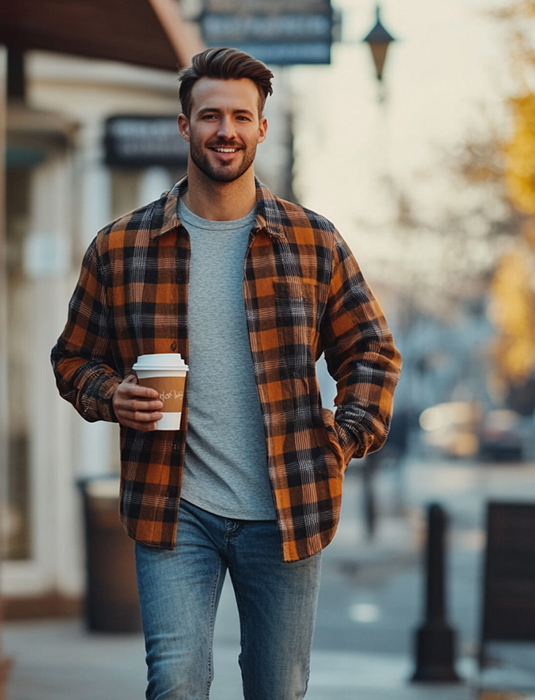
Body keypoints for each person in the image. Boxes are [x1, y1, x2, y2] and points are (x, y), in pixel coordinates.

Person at [52, 47, 401, 700]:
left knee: (278, 689)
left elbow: (371, 352)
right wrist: (109, 394)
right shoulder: (121, 246)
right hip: (172, 507)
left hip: (287, 509)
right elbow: (73, 357)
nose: (226, 131)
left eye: (242, 116)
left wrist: (344, 438)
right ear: (185, 126)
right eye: (210, 115)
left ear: (262, 128)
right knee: (176, 684)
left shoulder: (312, 242)